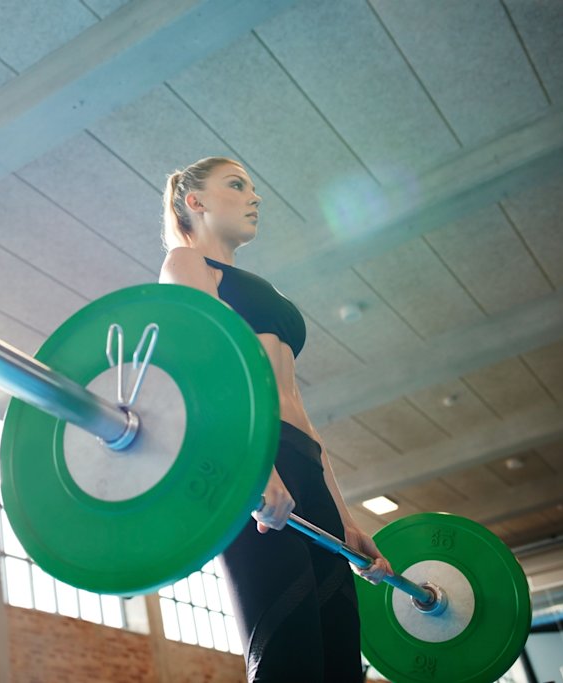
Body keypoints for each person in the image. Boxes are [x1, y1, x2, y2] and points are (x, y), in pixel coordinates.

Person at [158, 156, 394, 683]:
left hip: (301, 462)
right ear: (195, 201)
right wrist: (255, 469)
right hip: (250, 460)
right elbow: (205, 374)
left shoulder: (251, 282)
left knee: (339, 661)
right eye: (237, 185)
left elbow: (300, 413)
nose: (254, 196)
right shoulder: (185, 264)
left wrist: (345, 517)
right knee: (289, 656)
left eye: (253, 187)